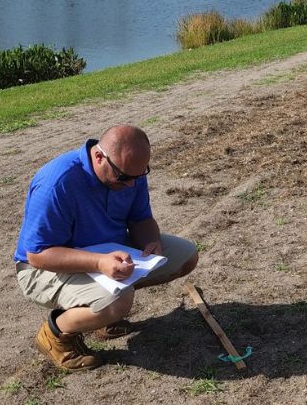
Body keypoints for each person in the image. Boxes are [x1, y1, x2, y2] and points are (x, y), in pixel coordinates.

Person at [13, 125, 198, 370]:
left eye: (139, 176)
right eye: (125, 178)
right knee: (118, 301)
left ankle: (99, 314)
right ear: (99, 157)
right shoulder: (57, 183)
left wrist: (150, 242)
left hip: (109, 252)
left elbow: (140, 219)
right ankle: (55, 334)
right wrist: (99, 262)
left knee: (186, 256)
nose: (132, 185)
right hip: (44, 269)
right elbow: (37, 255)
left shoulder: (129, 171)